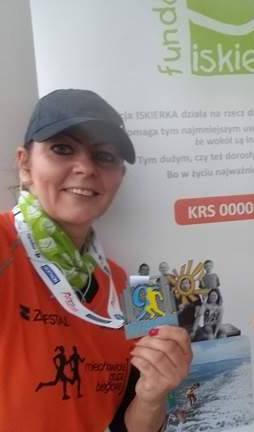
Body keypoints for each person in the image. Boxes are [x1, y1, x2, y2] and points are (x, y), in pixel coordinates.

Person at [0, 89, 192, 432]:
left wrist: (153, 395)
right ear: (25, 164)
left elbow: (130, 426)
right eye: (62, 149)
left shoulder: (132, 289)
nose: (86, 168)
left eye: (104, 156)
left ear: (120, 178)